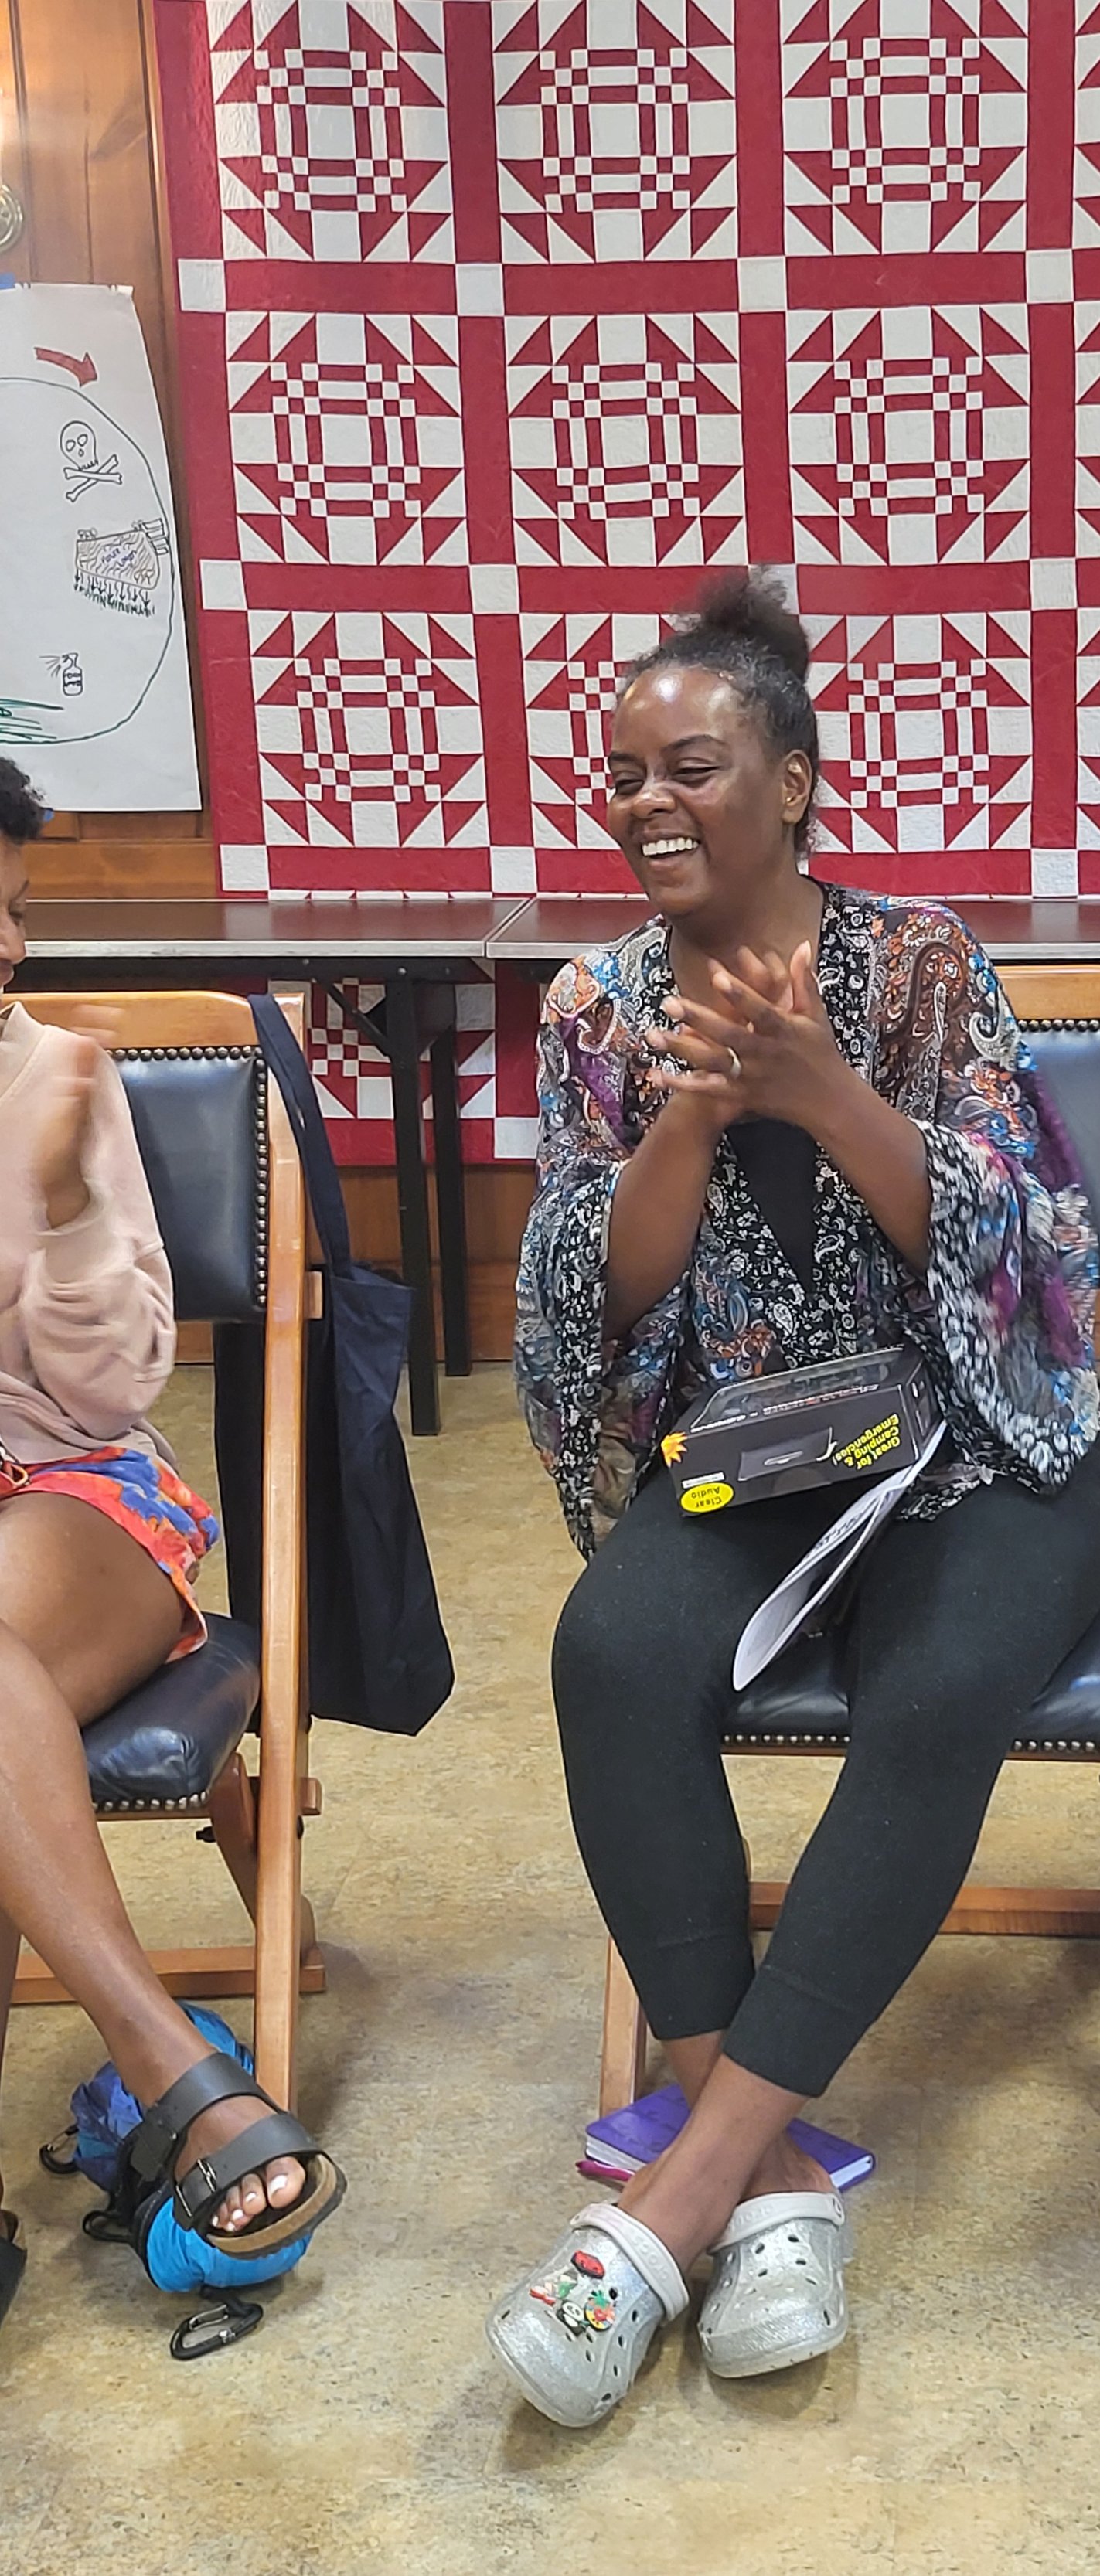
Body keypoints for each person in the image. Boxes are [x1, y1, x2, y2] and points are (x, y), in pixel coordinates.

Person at [496, 573, 1100, 2424]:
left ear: (790, 779)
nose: (644, 803)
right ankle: (770, 2175)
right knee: (612, 1649)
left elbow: (1035, 1263)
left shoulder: (922, 962)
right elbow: (583, 1303)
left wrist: (824, 1088)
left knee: (934, 1692)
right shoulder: (596, 1008)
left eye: (688, 765)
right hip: (766, 1447)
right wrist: (691, 1111)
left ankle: (675, 2198)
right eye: (620, 775)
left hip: (979, 1447)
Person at [0, 758, 343, 2331]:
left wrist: (64, 1209)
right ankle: (191, 2093)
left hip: (70, 1500)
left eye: (9, 912)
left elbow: (110, 1383)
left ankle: (163, 2066)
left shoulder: (54, 1080)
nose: (7, 950)